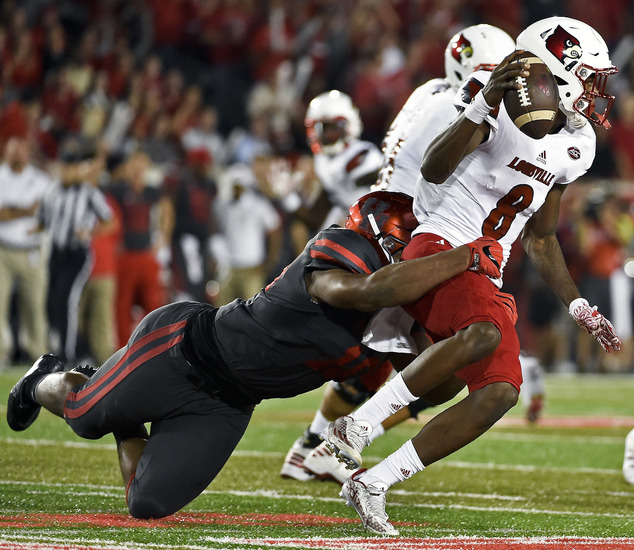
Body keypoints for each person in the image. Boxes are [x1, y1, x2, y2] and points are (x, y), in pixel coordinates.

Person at [6, 190, 503, 520]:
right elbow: (368, 291)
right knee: (83, 416)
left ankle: (123, 412)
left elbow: (434, 386)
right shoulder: (340, 251)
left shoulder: (397, 317)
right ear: (380, 237)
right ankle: (45, 377)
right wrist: (461, 257)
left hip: (229, 403)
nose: (416, 259)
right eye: (408, 248)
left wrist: (458, 343)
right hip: (184, 347)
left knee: (147, 502)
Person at [321, 17, 622, 535]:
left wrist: (579, 306)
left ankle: (373, 483)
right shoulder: (496, 104)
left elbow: (542, 237)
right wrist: (482, 105)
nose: (599, 92)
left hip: (486, 270)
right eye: (591, 77)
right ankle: (358, 423)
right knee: (481, 335)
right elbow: (433, 170)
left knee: (501, 391)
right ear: (560, 72)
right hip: (438, 247)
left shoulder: (581, 146)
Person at [280, 24, 518, 484]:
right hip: (404, 227)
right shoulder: (464, 98)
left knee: (377, 354)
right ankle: (335, 440)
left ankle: (316, 445)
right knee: (440, 371)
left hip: (381, 218)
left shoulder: (428, 91)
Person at [40, 149, 113, 363]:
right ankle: (60, 349)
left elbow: (109, 221)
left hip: (76, 253)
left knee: (66, 301)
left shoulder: (89, 192)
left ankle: (68, 355)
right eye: (65, 167)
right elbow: (44, 218)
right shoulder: (52, 190)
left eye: (72, 167)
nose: (67, 172)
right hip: (55, 252)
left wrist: (90, 233)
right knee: (52, 302)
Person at [278, 90, 383, 233]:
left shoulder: (362, 154)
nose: (325, 134)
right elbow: (317, 216)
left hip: (377, 217)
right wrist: (289, 197)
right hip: (349, 212)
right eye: (320, 128)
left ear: (349, 126)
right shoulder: (322, 161)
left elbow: (372, 191)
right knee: (318, 241)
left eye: (330, 128)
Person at [0, 137, 53, 368]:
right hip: (3, 250)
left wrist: (14, 211)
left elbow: (48, 216)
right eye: (13, 151)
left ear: (28, 153)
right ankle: (1, 355)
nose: (17, 156)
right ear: (6, 152)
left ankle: (37, 357)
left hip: (32, 251)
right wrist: (27, 210)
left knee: (35, 306)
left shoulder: (41, 180)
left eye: (21, 151)